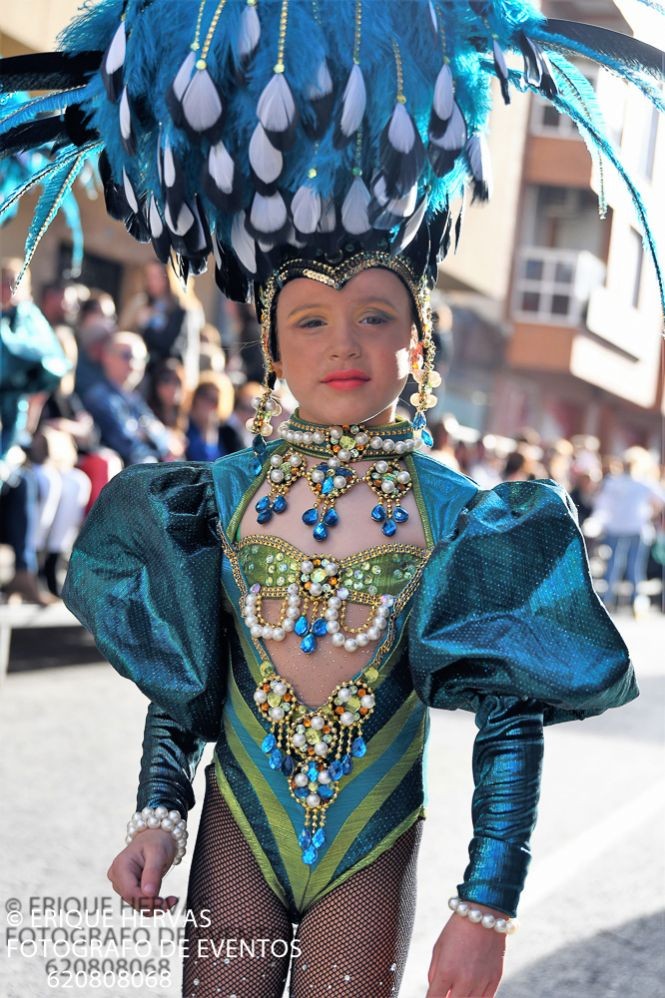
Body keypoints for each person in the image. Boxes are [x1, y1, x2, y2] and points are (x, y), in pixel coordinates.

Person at [4, 3, 658, 995]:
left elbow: (509, 723)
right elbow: (184, 682)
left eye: (374, 316)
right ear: (271, 345)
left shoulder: (465, 519)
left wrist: (483, 906)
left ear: (417, 341)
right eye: (309, 320)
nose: (342, 344)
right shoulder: (204, 500)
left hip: (371, 837)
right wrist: (156, 811)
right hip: (239, 830)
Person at [82, 331, 172, 466]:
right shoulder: (100, 398)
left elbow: (165, 439)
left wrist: (151, 437)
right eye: (126, 356)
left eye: (141, 359)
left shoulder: (135, 399)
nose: (134, 364)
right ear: (107, 357)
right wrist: (154, 441)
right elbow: (127, 447)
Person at [185, 373, 243, 462]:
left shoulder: (228, 434)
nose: (207, 403)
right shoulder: (181, 425)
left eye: (215, 400)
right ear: (195, 396)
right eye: (204, 395)